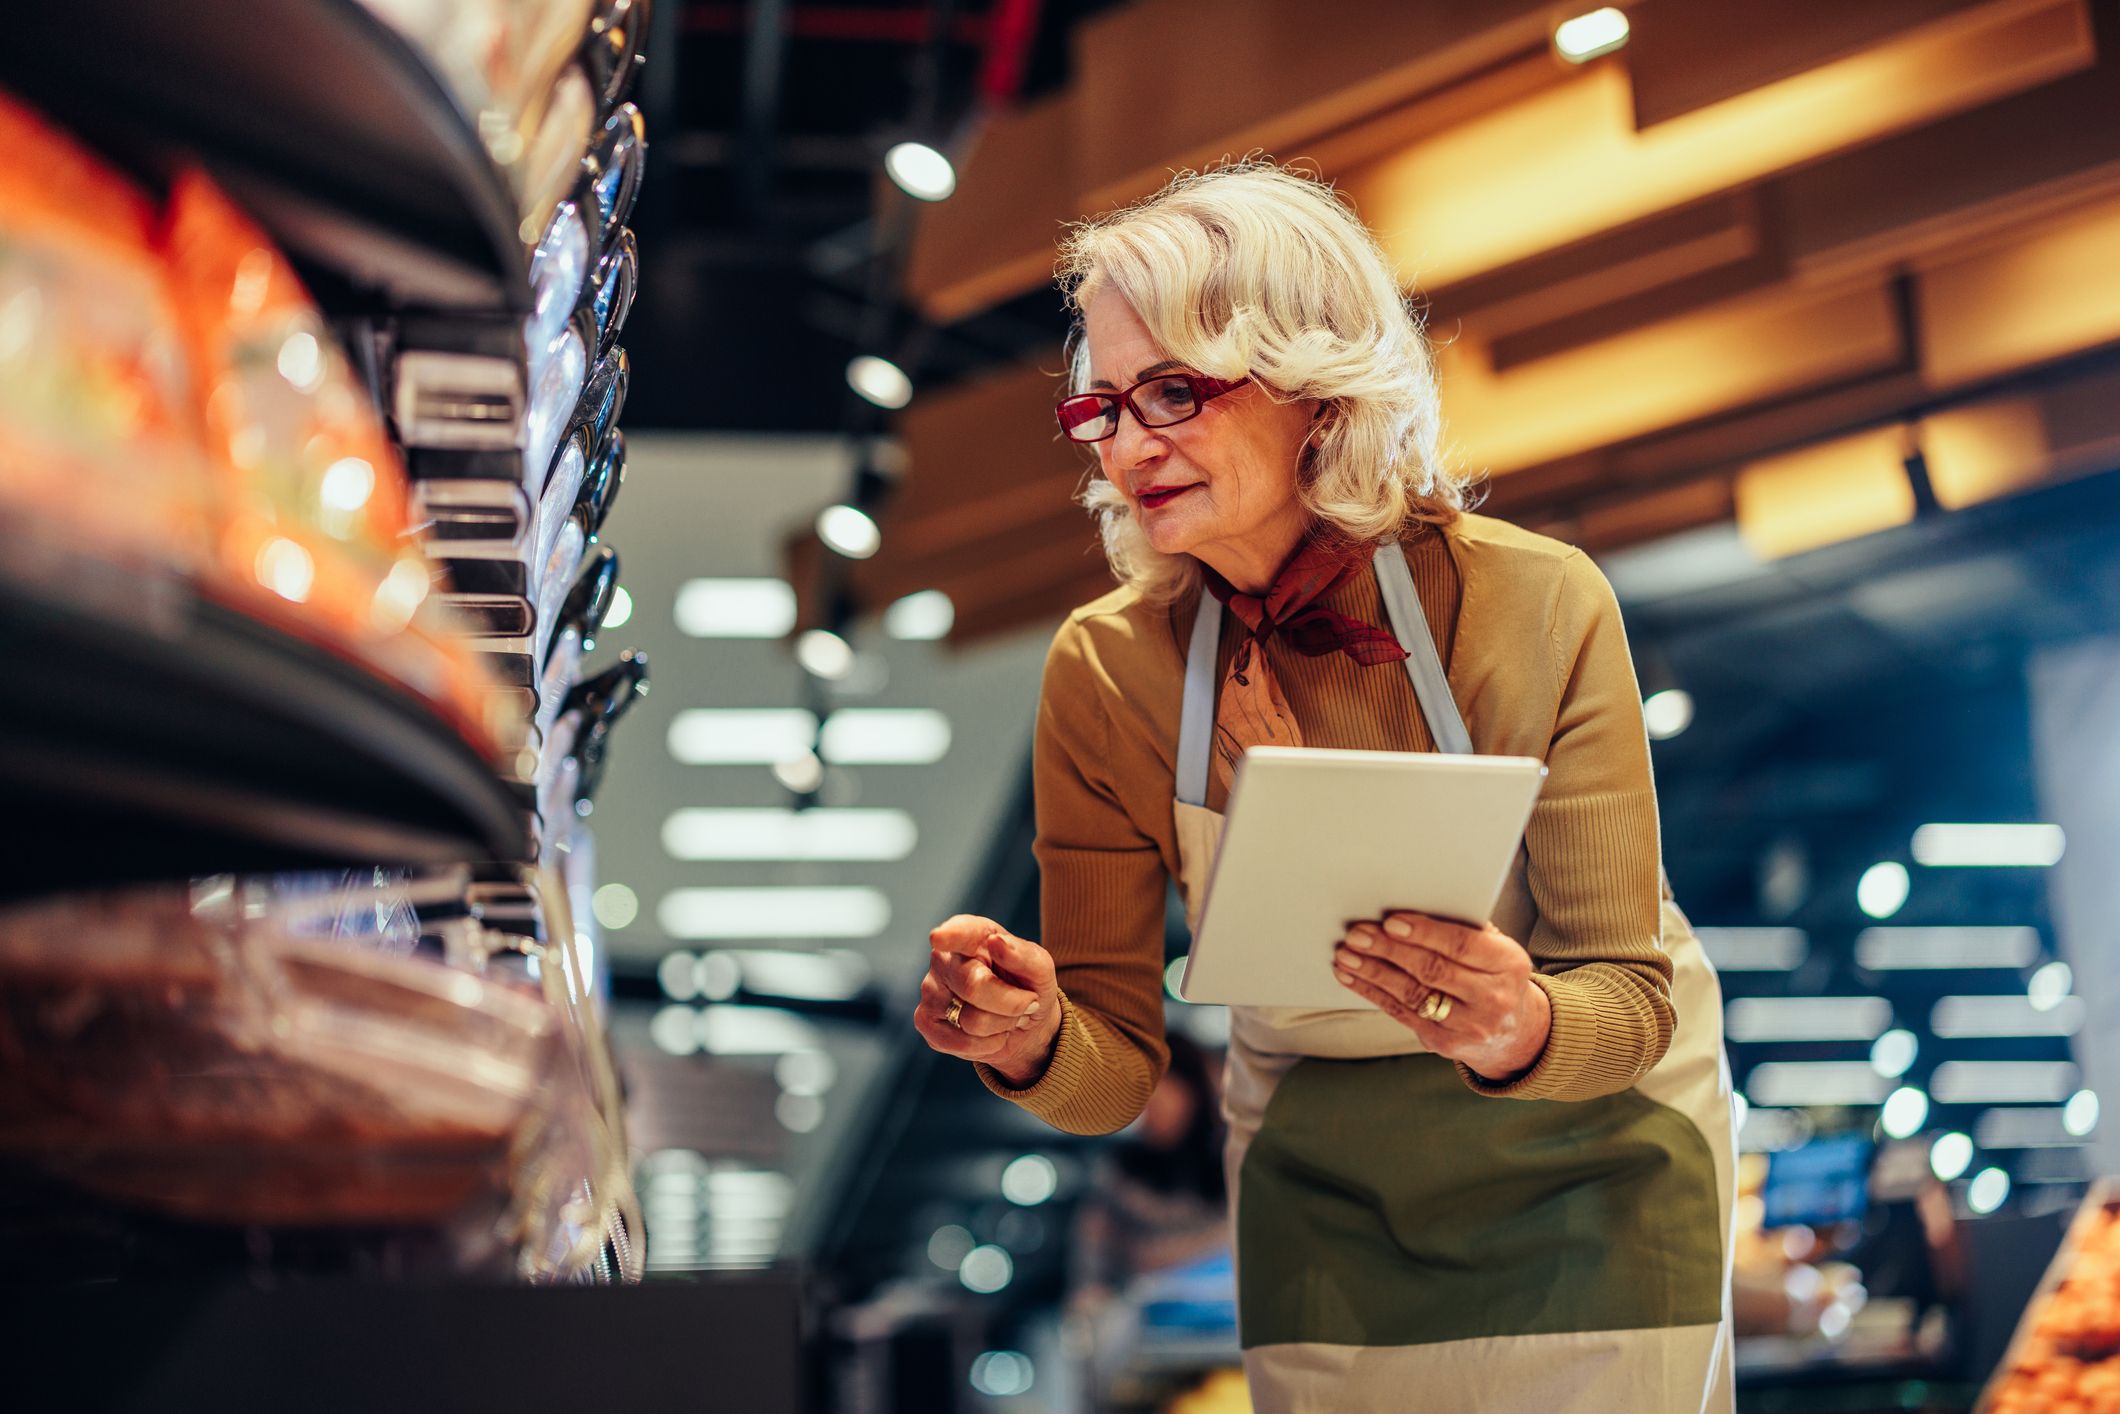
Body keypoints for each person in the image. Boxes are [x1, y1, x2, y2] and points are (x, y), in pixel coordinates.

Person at [914, 160, 1736, 1413]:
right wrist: (1031, 1043)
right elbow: (1119, 1068)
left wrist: (1521, 1025)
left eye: (1175, 393)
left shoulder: (1531, 602)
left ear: (1313, 382)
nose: (1131, 445)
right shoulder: (1104, 671)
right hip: (1325, 1197)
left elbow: (1626, 997)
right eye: (1105, 411)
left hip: (1593, 1177)